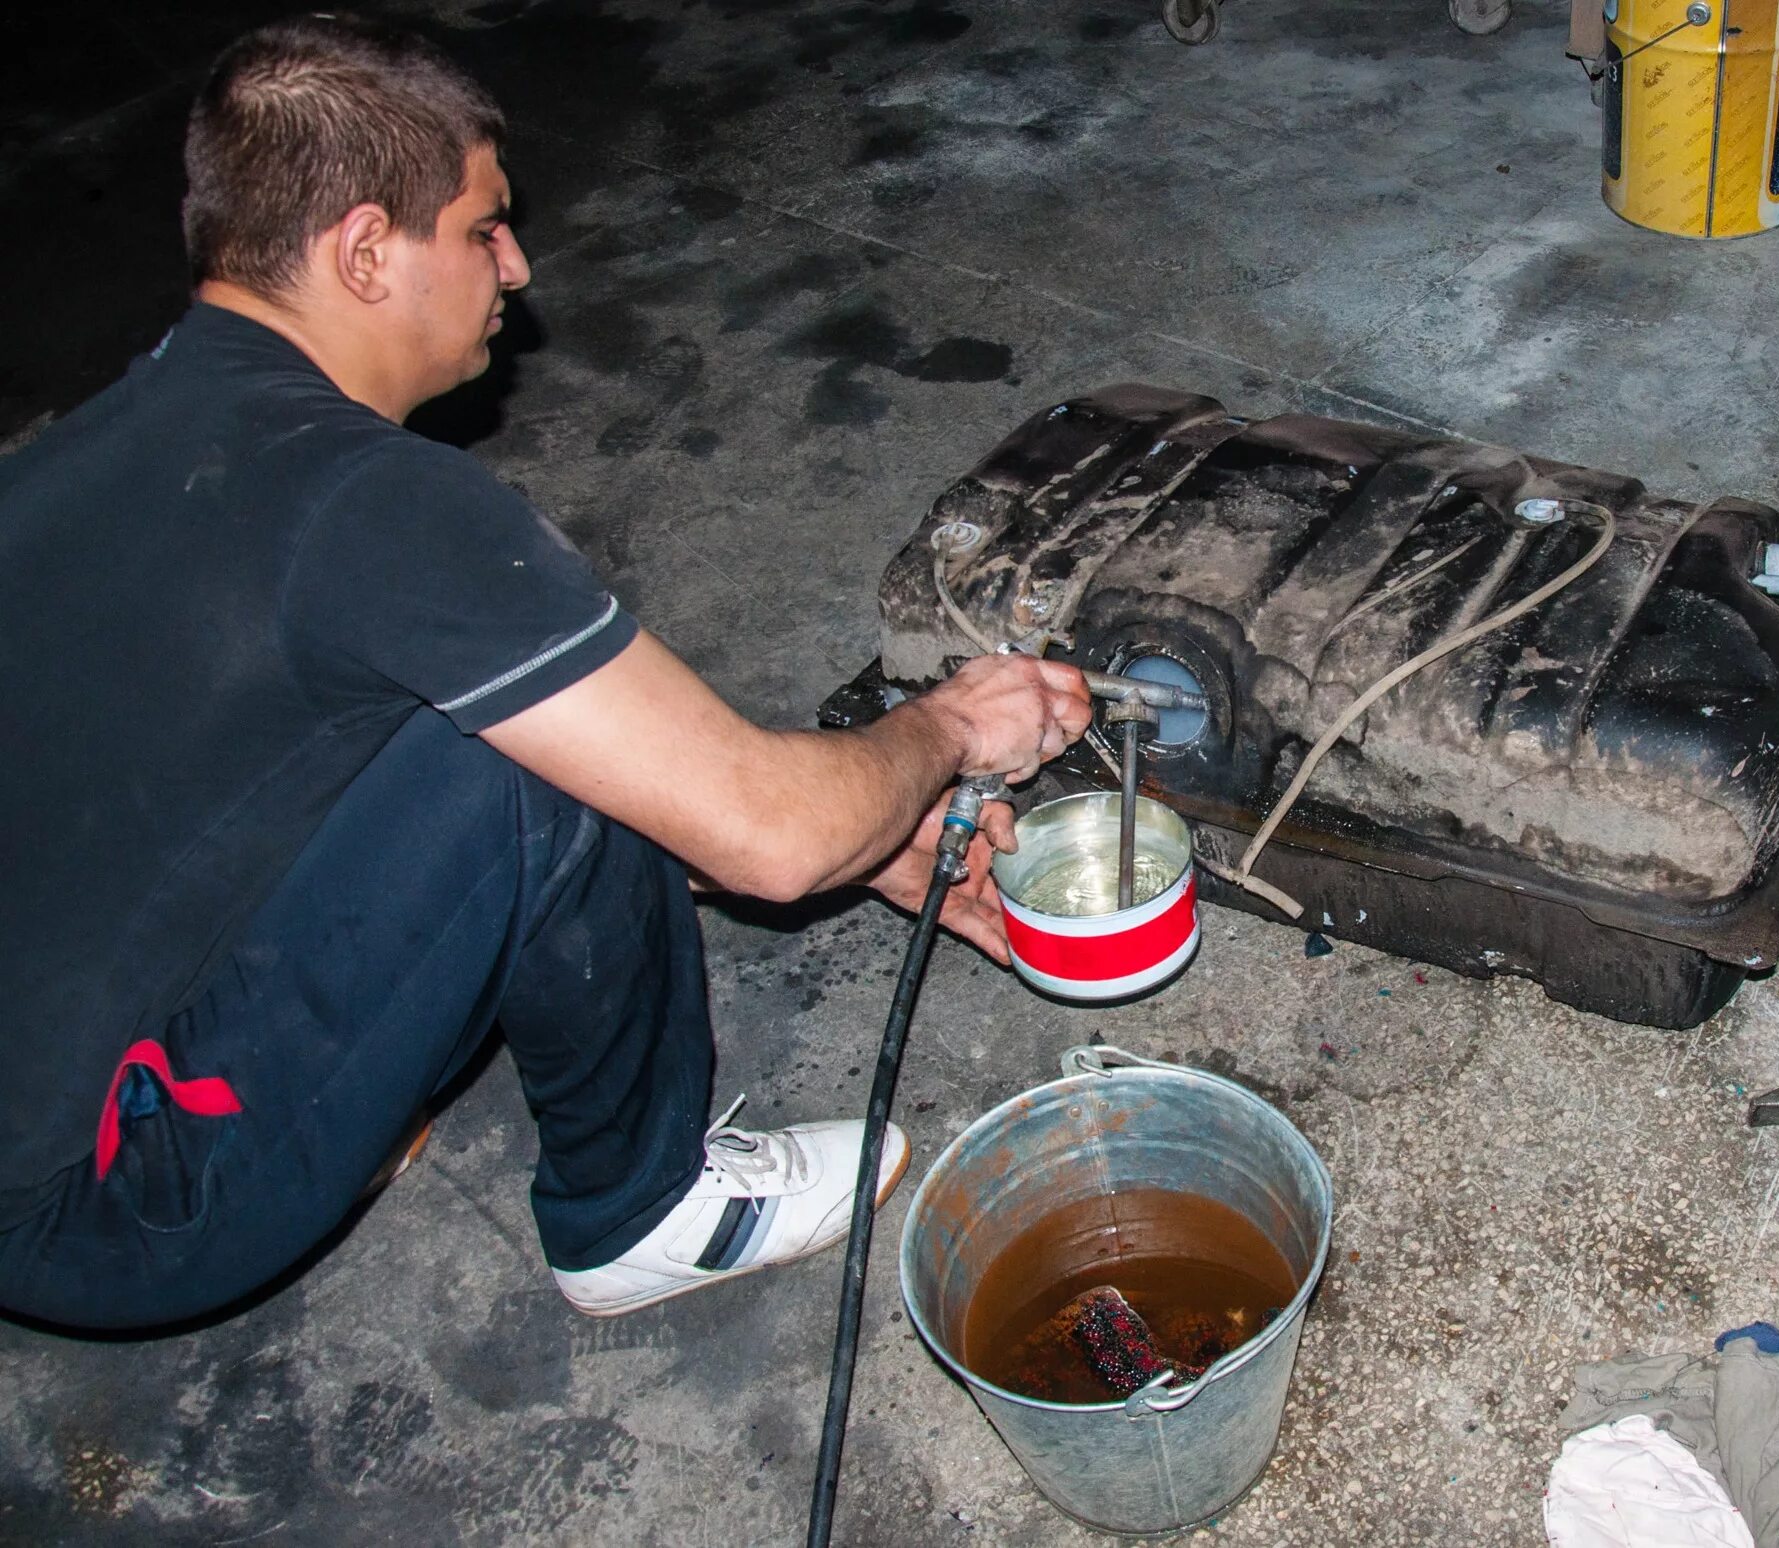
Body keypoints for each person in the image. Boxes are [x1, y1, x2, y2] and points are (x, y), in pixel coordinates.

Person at [0, 15, 1090, 1331]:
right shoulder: (377, 505)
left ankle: (331, 1104)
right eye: (481, 229)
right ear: (363, 251)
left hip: (57, 1110)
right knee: (511, 755)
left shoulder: (86, 454)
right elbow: (772, 843)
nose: (515, 267)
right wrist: (950, 727)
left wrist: (870, 835)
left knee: (513, 710)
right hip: (116, 1209)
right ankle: (641, 1211)